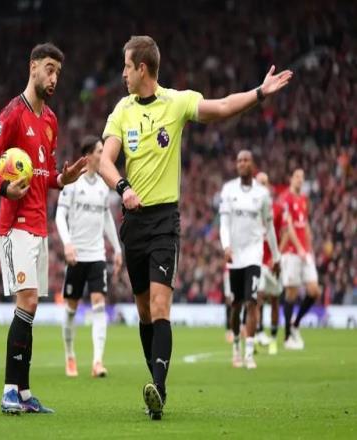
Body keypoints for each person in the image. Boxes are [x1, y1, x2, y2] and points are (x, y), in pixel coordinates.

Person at [99, 35, 292, 419]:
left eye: (126, 66)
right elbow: (105, 160)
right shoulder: (122, 110)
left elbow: (222, 106)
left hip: (163, 221)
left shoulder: (177, 102)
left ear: (142, 68)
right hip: (133, 223)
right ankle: (156, 382)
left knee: (160, 306)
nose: (122, 74)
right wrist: (123, 187)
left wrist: (259, 93)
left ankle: (158, 388)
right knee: (143, 312)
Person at [0, 43, 86, 414]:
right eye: (49, 69)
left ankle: (23, 393)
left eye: (58, 73)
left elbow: (46, 173)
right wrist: (3, 188)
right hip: (15, 225)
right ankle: (9, 390)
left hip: (39, 225)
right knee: (27, 301)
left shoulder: (51, 120)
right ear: (33, 67)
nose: (54, 79)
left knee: (32, 307)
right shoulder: (13, 112)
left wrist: (63, 178)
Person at [56, 135, 123, 378]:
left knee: (99, 304)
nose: (103, 154)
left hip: (97, 255)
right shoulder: (72, 184)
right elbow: (59, 216)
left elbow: (107, 220)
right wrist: (67, 244)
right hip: (77, 255)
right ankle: (70, 355)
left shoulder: (104, 187)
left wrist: (117, 249)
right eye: (99, 151)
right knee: (71, 309)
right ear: (88, 156)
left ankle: (97, 362)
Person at [219, 151, 281, 369]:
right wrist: (226, 246)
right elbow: (224, 223)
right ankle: (236, 346)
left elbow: (269, 227)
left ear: (252, 164)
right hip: (235, 255)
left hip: (254, 255)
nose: (242, 163)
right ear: (236, 165)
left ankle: (249, 353)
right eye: (239, 160)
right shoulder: (229, 190)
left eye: (246, 160)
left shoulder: (262, 194)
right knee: (236, 305)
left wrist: (276, 255)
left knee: (252, 302)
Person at [280, 169, 321, 349]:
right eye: (297, 177)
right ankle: (287, 338)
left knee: (314, 291)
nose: (300, 180)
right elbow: (288, 227)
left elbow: (305, 224)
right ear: (291, 179)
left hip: (305, 252)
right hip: (291, 252)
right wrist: (299, 248)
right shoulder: (286, 199)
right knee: (291, 293)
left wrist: (309, 249)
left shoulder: (304, 199)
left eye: (302, 178)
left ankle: (295, 324)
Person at [256, 172, 284, 355]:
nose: (262, 185)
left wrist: (277, 255)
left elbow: (284, 232)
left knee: (274, 299)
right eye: (259, 182)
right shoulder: (250, 208)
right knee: (257, 297)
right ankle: (258, 333)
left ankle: (273, 338)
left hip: (272, 260)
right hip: (257, 260)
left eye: (264, 182)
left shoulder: (278, 209)